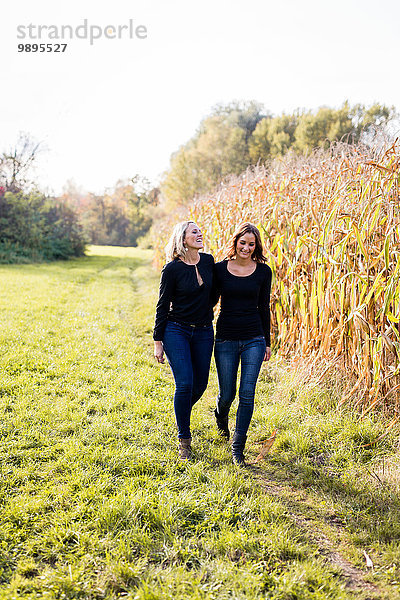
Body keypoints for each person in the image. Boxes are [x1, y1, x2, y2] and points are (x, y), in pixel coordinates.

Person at [153, 221, 215, 460]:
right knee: (185, 383)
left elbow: (221, 288)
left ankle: (181, 413)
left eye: (200, 231)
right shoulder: (172, 269)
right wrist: (158, 340)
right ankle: (184, 440)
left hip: (203, 331)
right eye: (194, 232)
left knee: (200, 384)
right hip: (176, 330)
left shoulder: (209, 262)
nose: (199, 234)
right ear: (182, 238)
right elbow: (162, 305)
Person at [213, 222, 272, 466]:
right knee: (228, 393)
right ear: (235, 241)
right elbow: (209, 302)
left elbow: (264, 307)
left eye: (251, 244)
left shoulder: (263, 271)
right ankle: (220, 415)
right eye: (243, 242)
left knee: (247, 392)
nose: (246, 248)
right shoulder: (219, 269)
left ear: (256, 246)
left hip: (253, 338)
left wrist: (267, 342)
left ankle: (238, 448)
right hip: (225, 337)